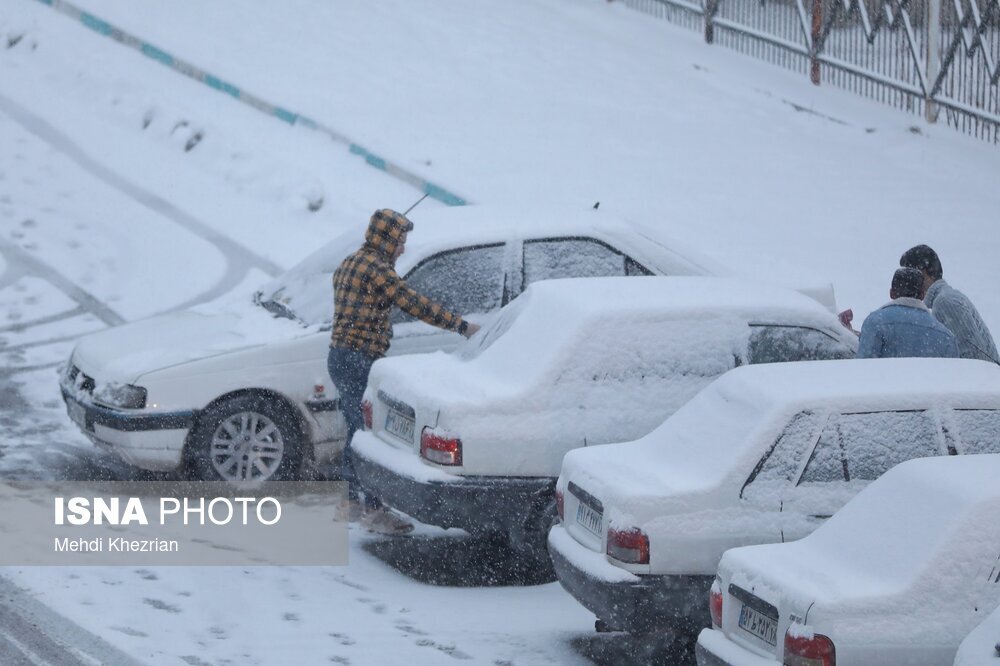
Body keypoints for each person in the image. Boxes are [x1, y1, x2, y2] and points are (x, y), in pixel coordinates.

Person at [328, 209, 480, 534]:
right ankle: (373, 511)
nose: (403, 249)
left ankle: (350, 502)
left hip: (339, 356)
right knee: (368, 436)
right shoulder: (377, 270)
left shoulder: (350, 262)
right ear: (386, 240)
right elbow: (414, 304)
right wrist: (461, 326)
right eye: (400, 242)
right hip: (358, 359)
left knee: (356, 430)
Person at [900, 244, 999, 364]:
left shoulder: (945, 302)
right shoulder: (946, 298)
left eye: (908, 274)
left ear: (923, 271)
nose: (905, 280)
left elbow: (976, 360)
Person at [856, 267, 959, 359]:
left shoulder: (874, 323)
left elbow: (863, 371)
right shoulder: (946, 336)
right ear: (922, 295)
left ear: (891, 293)